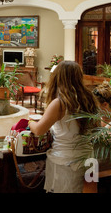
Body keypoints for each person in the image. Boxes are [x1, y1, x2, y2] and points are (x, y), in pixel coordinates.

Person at [28, 60, 99, 193]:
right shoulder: (89, 99)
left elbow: (39, 130)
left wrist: (30, 122)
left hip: (66, 162)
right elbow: (96, 128)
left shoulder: (60, 103)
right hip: (90, 159)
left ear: (57, 78)